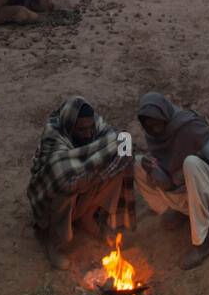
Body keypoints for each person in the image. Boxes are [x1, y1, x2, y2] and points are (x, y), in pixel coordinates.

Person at [133, 92, 209, 270]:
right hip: (182, 188)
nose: (155, 130)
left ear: (165, 116)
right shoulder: (153, 135)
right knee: (136, 164)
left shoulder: (188, 127)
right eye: (149, 126)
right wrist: (153, 168)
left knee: (191, 163)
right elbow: (168, 172)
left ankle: (202, 242)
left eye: (157, 124)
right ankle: (179, 212)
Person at [27, 97, 134, 270]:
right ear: (70, 126)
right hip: (52, 198)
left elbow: (120, 143)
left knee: (121, 160)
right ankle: (55, 241)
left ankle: (88, 216)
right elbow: (63, 180)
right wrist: (94, 173)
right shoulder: (53, 137)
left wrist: (97, 174)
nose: (88, 133)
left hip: (84, 183)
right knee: (64, 186)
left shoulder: (95, 124)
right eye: (81, 129)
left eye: (90, 127)